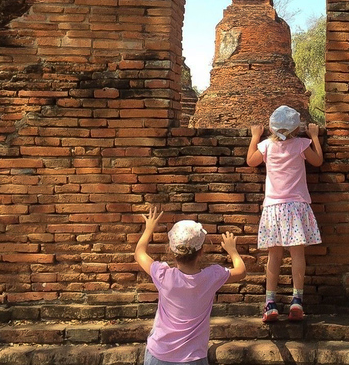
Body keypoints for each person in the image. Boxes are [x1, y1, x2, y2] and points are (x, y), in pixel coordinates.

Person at [134, 207, 246, 365]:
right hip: (193, 357)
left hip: (158, 356)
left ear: (172, 251)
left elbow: (139, 253)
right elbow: (241, 271)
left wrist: (149, 229)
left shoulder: (162, 274)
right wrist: (232, 251)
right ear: (201, 252)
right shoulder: (211, 276)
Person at [246, 105, 324, 322]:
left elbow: (250, 161)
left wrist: (254, 137)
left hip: (273, 208)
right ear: (296, 128)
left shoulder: (267, 146)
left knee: (274, 255)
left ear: (271, 126)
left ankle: (270, 303)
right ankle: (297, 300)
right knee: (298, 255)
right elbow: (318, 161)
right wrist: (315, 137)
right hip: (296, 207)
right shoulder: (301, 143)